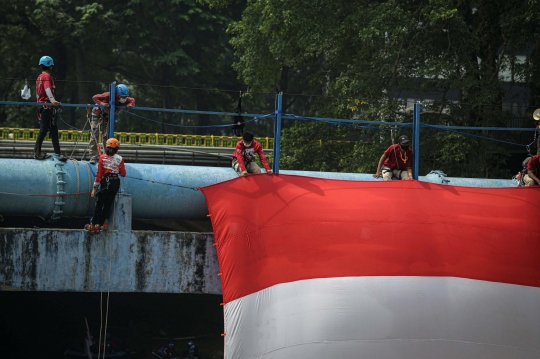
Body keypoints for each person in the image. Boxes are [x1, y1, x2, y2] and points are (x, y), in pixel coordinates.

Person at [85, 138, 126, 234]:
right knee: (108, 205)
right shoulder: (120, 159)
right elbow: (123, 173)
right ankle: (100, 224)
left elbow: (99, 174)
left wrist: (94, 188)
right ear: (116, 148)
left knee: (99, 204)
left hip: (105, 183)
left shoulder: (102, 158)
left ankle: (93, 224)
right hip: (115, 183)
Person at [88, 84, 135, 164]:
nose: (124, 99)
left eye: (125, 97)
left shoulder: (125, 99)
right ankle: (93, 156)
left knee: (106, 136)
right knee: (95, 135)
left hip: (108, 116)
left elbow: (132, 100)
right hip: (97, 114)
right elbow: (95, 97)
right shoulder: (107, 95)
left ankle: (106, 156)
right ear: (117, 94)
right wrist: (102, 104)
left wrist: (130, 105)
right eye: (122, 97)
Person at [34, 56, 67, 161]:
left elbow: (38, 94)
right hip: (47, 107)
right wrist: (53, 102)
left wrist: (39, 106)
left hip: (42, 106)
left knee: (53, 130)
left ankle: (58, 153)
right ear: (49, 65)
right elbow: (47, 89)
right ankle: (37, 153)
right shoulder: (47, 77)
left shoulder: (39, 77)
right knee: (44, 130)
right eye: (51, 65)